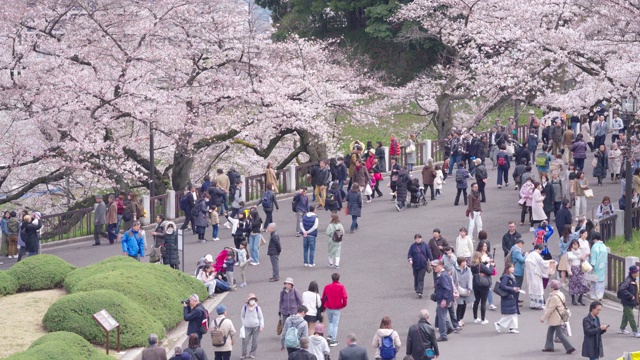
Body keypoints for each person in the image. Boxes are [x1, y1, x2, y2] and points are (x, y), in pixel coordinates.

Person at [541, 280, 576, 354]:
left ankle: (569, 347)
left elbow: (550, 309)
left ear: (553, 288)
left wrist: (543, 318)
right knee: (550, 330)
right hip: (561, 315)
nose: (550, 288)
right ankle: (549, 346)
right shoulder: (561, 294)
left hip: (556, 317)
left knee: (559, 333)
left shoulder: (554, 297)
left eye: (551, 286)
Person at [432, 259, 458, 341]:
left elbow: (447, 289)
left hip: (443, 299)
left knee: (442, 317)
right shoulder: (443, 274)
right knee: (441, 314)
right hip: (444, 298)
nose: (434, 268)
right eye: (433, 267)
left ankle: (443, 335)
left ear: (441, 266)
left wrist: (444, 300)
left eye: (435, 266)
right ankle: (449, 327)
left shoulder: (443, 276)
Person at [525, 244, 556, 309]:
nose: (541, 252)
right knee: (538, 288)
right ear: (539, 249)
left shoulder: (531, 254)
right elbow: (542, 263)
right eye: (541, 250)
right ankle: (539, 304)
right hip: (536, 274)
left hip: (530, 274)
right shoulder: (536, 255)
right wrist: (550, 261)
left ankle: (533, 304)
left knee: (533, 289)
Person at [322, 273, 348, 347]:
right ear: (338, 278)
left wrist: (323, 306)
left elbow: (323, 296)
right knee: (335, 324)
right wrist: (343, 305)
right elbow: (344, 297)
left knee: (330, 321)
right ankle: (333, 340)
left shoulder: (327, 287)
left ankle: (329, 336)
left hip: (328, 306)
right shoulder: (341, 287)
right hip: (337, 307)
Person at [494, 263, 520, 334]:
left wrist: (516, 288)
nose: (513, 268)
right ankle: (499, 323)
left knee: (512, 313)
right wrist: (513, 288)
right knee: (511, 314)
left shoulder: (511, 276)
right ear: (508, 268)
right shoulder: (506, 277)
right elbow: (503, 286)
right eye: (511, 267)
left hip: (511, 297)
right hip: (508, 297)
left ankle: (512, 328)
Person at [407, 234, 434, 299]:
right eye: (416, 238)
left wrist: (432, 260)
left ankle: (420, 291)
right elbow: (410, 254)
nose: (418, 240)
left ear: (421, 238)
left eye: (419, 238)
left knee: (420, 278)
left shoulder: (425, 245)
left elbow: (429, 253)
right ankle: (417, 288)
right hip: (415, 265)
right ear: (415, 239)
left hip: (423, 265)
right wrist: (410, 259)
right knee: (416, 277)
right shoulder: (412, 246)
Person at [470, 251, 493, 325]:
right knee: (483, 301)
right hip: (483, 285)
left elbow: (480, 267)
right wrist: (491, 265)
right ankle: (483, 319)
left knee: (476, 301)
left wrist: (486, 263)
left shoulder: (472, 265)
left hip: (476, 284)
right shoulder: (481, 265)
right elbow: (490, 272)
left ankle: (475, 318)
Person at [617, 265, 640, 337]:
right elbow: (622, 289)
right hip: (627, 301)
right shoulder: (628, 280)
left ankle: (622, 328)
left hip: (630, 301)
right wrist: (631, 296)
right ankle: (635, 331)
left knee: (626, 315)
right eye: (637, 271)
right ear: (634, 273)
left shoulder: (633, 279)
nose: (638, 273)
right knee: (630, 316)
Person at [240, 294, 264, 359]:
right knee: (245, 341)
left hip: (256, 327)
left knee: (255, 341)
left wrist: (261, 325)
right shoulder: (245, 307)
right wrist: (244, 322)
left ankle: (252, 354)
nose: (252, 301)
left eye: (253, 299)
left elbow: (261, 317)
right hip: (247, 327)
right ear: (248, 301)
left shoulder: (257, 308)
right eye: (251, 299)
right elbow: (242, 316)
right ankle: (244, 354)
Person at [566, 240, 589, 306]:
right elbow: (567, 263)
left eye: (576, 245)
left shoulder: (580, 252)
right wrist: (569, 271)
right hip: (573, 269)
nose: (575, 246)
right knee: (573, 284)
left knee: (583, 283)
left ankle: (580, 298)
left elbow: (583, 260)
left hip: (579, 269)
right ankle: (573, 299)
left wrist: (582, 258)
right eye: (574, 245)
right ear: (571, 245)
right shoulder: (569, 253)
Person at [453, 256, 474, 326]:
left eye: (465, 261)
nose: (465, 263)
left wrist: (469, 288)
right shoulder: (455, 270)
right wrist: (454, 289)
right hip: (458, 290)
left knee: (464, 304)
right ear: (460, 263)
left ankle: (461, 318)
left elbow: (470, 279)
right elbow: (453, 280)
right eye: (463, 262)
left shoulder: (468, 269)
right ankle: (458, 319)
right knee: (460, 305)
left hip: (466, 289)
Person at [589, 233, 607, 301]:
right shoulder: (604, 246)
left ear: (594, 238)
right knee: (601, 280)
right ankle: (600, 295)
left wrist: (592, 265)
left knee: (594, 280)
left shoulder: (595, 246)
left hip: (596, 266)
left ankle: (594, 295)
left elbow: (593, 257)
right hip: (603, 266)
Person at [510, 239, 528, 305]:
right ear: (519, 243)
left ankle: (516, 299)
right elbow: (521, 260)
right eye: (522, 244)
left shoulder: (513, 248)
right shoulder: (517, 251)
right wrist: (525, 255)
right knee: (517, 285)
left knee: (516, 285)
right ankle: (515, 300)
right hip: (518, 270)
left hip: (515, 269)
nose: (522, 246)